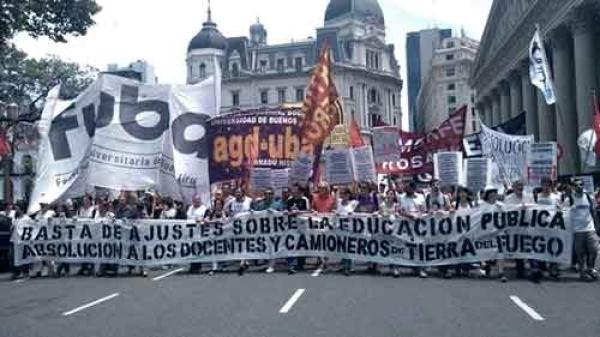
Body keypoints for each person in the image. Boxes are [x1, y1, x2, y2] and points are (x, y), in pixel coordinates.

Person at [564, 178, 600, 281]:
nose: (579, 187)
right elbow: (564, 212)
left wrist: (597, 226)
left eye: (581, 185)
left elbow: (593, 211)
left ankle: (590, 268)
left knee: (594, 249)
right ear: (573, 187)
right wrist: (570, 208)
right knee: (580, 253)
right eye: (576, 185)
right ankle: (582, 272)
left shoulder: (589, 197)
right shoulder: (569, 199)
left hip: (590, 228)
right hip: (577, 230)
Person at [502, 180, 534, 279]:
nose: (520, 188)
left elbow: (535, 209)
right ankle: (520, 270)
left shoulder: (529, 197)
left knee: (528, 247)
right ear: (514, 187)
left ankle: (533, 269)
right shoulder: (508, 199)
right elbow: (505, 211)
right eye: (518, 186)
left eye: (521, 185)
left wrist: (527, 208)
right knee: (517, 249)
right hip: (514, 228)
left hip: (527, 226)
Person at [398, 181, 428, 278]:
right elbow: (401, 211)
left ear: (413, 189)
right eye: (406, 188)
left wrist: (420, 216)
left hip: (420, 226)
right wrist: (409, 215)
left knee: (420, 247)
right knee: (410, 247)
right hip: (408, 226)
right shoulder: (402, 198)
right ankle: (413, 267)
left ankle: (421, 269)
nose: (407, 190)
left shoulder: (421, 197)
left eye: (409, 188)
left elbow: (425, 210)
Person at [252, 188, 283, 273]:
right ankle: (266, 262)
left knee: (273, 247)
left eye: (270, 194)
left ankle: (271, 265)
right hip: (263, 230)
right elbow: (255, 214)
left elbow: (283, 215)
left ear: (273, 195)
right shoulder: (260, 205)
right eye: (266, 193)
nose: (268, 195)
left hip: (274, 230)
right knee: (264, 247)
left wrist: (275, 212)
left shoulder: (277, 204)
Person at [481, 186, 507, 282]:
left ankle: (501, 272)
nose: (493, 195)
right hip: (486, 233)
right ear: (487, 195)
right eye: (491, 193)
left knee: (500, 252)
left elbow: (506, 218)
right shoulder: (482, 206)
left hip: (499, 233)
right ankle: (487, 266)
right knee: (488, 251)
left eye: (494, 193)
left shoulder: (501, 206)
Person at [355, 182, 380, 274]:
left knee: (375, 245)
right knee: (367, 245)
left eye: (364, 188)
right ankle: (369, 265)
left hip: (373, 225)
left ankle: (376, 265)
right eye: (361, 188)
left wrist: (376, 213)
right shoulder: (359, 199)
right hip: (363, 226)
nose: (362, 190)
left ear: (368, 189)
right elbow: (355, 210)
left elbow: (379, 209)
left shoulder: (374, 198)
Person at [286, 183, 311, 274]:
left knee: (301, 245)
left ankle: (300, 264)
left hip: (302, 226)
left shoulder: (305, 200)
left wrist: (298, 212)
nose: (294, 192)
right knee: (291, 244)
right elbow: (287, 211)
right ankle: (291, 264)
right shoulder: (290, 200)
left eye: (296, 191)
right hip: (292, 226)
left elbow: (308, 211)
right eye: (293, 191)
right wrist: (289, 213)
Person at [336, 187, 358, 276]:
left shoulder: (353, 203)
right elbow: (336, 212)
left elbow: (358, 213)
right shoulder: (339, 202)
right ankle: (344, 265)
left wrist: (353, 214)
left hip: (350, 229)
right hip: (340, 229)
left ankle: (349, 267)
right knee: (342, 248)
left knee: (349, 248)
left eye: (344, 194)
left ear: (348, 195)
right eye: (341, 194)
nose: (342, 195)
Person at [203, 198, 227, 275]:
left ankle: (223, 265)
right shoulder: (211, 212)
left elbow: (226, 220)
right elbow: (205, 220)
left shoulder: (224, 212)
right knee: (214, 251)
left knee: (222, 250)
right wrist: (214, 221)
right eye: (216, 204)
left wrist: (222, 218)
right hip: (213, 235)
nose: (218, 206)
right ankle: (214, 267)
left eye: (219, 204)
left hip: (223, 235)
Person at [77, 195, 97, 276]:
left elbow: (95, 219)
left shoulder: (93, 210)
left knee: (90, 249)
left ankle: (91, 266)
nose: (85, 202)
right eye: (84, 200)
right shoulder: (80, 210)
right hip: (81, 232)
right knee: (82, 249)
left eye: (86, 200)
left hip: (90, 232)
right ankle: (84, 266)